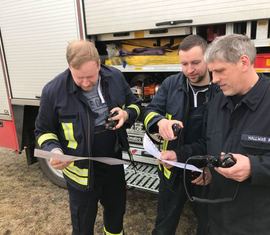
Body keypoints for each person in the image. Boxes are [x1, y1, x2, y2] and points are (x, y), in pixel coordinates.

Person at [35, 40, 141, 235]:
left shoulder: (115, 78)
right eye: (79, 77)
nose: (85, 83)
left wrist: (127, 115)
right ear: (69, 67)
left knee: (116, 213)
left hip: (112, 163)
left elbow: (135, 105)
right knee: (83, 224)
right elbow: (43, 131)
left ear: (99, 65)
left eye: (90, 77)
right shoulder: (53, 92)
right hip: (80, 173)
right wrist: (54, 151)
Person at [144, 34, 216, 235]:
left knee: (209, 225)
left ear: (208, 58)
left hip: (204, 173)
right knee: (164, 224)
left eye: (195, 63)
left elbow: (223, 137)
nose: (189, 70)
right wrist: (160, 122)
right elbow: (148, 112)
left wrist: (213, 169)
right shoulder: (170, 84)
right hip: (172, 170)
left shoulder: (220, 89)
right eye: (184, 64)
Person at [204, 34, 270, 235]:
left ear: (243, 62)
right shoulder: (217, 102)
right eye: (212, 72)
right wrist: (182, 157)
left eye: (220, 71)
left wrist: (254, 168)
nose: (214, 80)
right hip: (216, 218)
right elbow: (208, 142)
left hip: (257, 224)